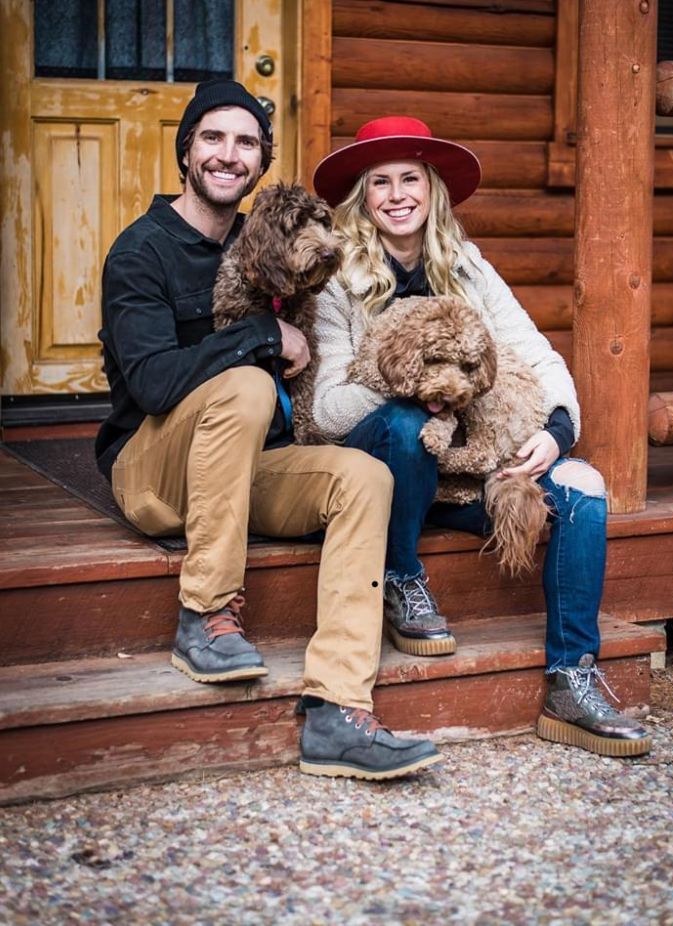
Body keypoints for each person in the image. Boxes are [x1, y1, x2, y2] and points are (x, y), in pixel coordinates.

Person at [95, 83, 440, 780]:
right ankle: (206, 613)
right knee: (250, 381)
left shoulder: (269, 246)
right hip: (153, 469)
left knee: (364, 477)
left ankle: (337, 711)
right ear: (186, 150)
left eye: (246, 142)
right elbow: (155, 385)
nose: (228, 155)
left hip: (247, 470)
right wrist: (261, 333)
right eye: (213, 139)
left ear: (261, 161)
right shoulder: (141, 253)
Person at [310, 116, 651, 757]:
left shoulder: (467, 268)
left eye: (410, 178)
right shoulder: (336, 280)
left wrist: (556, 431)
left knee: (582, 484)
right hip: (379, 467)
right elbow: (327, 411)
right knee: (410, 424)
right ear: (362, 196)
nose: (396, 194)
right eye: (379, 181)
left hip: (466, 470)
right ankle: (403, 577)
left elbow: (538, 356)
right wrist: (408, 372)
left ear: (433, 189)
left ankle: (570, 678)